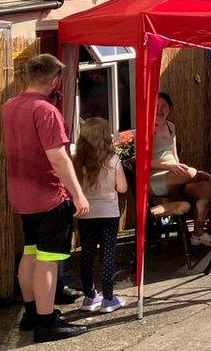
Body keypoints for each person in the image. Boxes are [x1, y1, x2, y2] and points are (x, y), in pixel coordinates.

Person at [2, 54, 89, 342]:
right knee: (48, 259)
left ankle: (31, 314)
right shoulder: (46, 111)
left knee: (30, 252)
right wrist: (77, 194)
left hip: (21, 193)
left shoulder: (9, 106)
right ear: (53, 80)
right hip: (49, 195)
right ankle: (46, 321)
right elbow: (58, 157)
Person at [152, 92, 211, 246]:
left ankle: (198, 233)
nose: (159, 109)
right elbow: (141, 161)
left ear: (170, 109)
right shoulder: (145, 130)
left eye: (163, 106)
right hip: (156, 178)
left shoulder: (171, 126)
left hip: (175, 176)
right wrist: (170, 167)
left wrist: (177, 168)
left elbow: (174, 155)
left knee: (205, 189)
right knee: (191, 172)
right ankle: (205, 175)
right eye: (156, 106)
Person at [73, 118, 128, 313]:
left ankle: (89, 297)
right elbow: (122, 188)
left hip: (86, 214)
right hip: (109, 214)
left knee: (87, 254)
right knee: (108, 254)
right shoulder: (113, 161)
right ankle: (108, 298)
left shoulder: (78, 162)